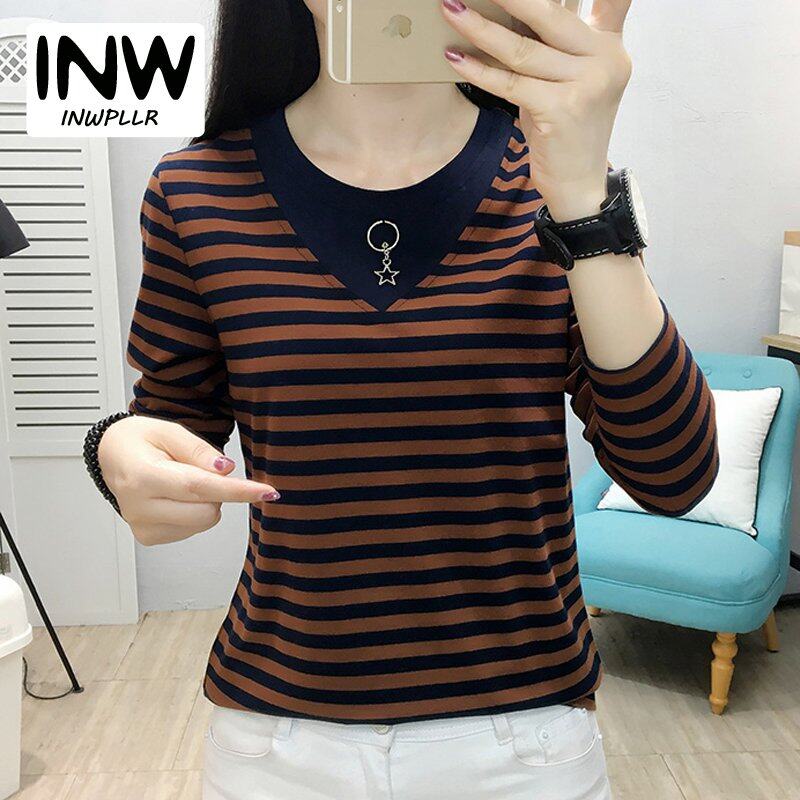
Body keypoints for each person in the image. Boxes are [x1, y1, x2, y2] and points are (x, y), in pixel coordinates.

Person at [86, 0, 720, 797]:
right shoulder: (196, 191)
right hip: (279, 740)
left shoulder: (554, 183)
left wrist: (583, 198)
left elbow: (674, 475)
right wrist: (115, 450)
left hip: (523, 737)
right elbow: (172, 428)